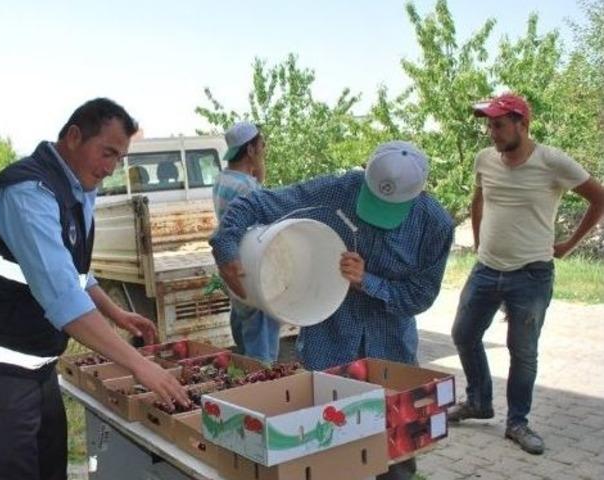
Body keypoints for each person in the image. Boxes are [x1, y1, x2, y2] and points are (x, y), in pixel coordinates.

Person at [0, 98, 189, 480]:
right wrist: (140, 366)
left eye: (118, 159)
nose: (109, 168)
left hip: (34, 370)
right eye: (106, 152)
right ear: (74, 136)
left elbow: (72, 272)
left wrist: (115, 312)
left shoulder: (76, 189)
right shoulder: (28, 193)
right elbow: (63, 300)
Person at [211, 141, 454, 480]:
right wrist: (226, 246)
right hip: (330, 345)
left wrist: (367, 281)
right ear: (366, 177)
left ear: (419, 194)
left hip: (390, 352)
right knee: (327, 450)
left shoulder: (435, 225)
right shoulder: (337, 190)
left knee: (394, 455)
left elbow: (420, 296)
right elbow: (256, 202)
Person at [449, 93, 604, 455]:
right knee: (463, 334)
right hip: (486, 268)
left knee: (523, 352)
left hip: (531, 275)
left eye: (499, 124)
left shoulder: (552, 162)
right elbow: (479, 198)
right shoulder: (484, 159)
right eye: (489, 124)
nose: (492, 132)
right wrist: (477, 240)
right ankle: (479, 401)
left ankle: (517, 422)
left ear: (522, 124)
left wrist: (568, 245)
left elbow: (599, 198)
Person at [211, 121, 280, 363]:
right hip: (253, 270)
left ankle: (245, 384)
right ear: (250, 150)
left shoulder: (223, 179)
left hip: (234, 266)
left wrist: (258, 172)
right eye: (261, 145)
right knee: (262, 353)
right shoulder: (248, 187)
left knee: (245, 334)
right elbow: (265, 223)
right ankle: (261, 393)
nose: (264, 149)